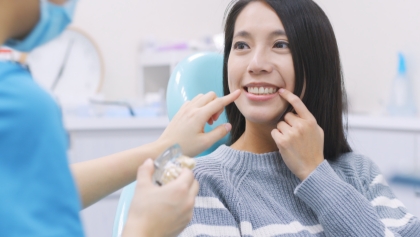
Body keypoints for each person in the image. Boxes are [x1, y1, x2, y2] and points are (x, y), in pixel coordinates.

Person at [178, 0, 420, 236]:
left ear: (317, 63)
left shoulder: (359, 172)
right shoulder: (202, 183)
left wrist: (317, 174)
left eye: (281, 44)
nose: (256, 64)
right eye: (241, 45)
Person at [0, 0, 240, 236]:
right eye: (241, 45)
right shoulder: (20, 106)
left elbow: (42, 189)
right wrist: (145, 229)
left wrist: (165, 148)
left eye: (279, 44)